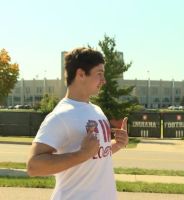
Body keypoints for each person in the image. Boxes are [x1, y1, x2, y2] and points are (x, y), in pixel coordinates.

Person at [27, 47, 128, 200]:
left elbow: (96, 155)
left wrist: (117, 145)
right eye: (99, 74)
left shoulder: (96, 110)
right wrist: (82, 154)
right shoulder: (60, 116)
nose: (104, 80)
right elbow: (34, 166)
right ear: (81, 74)